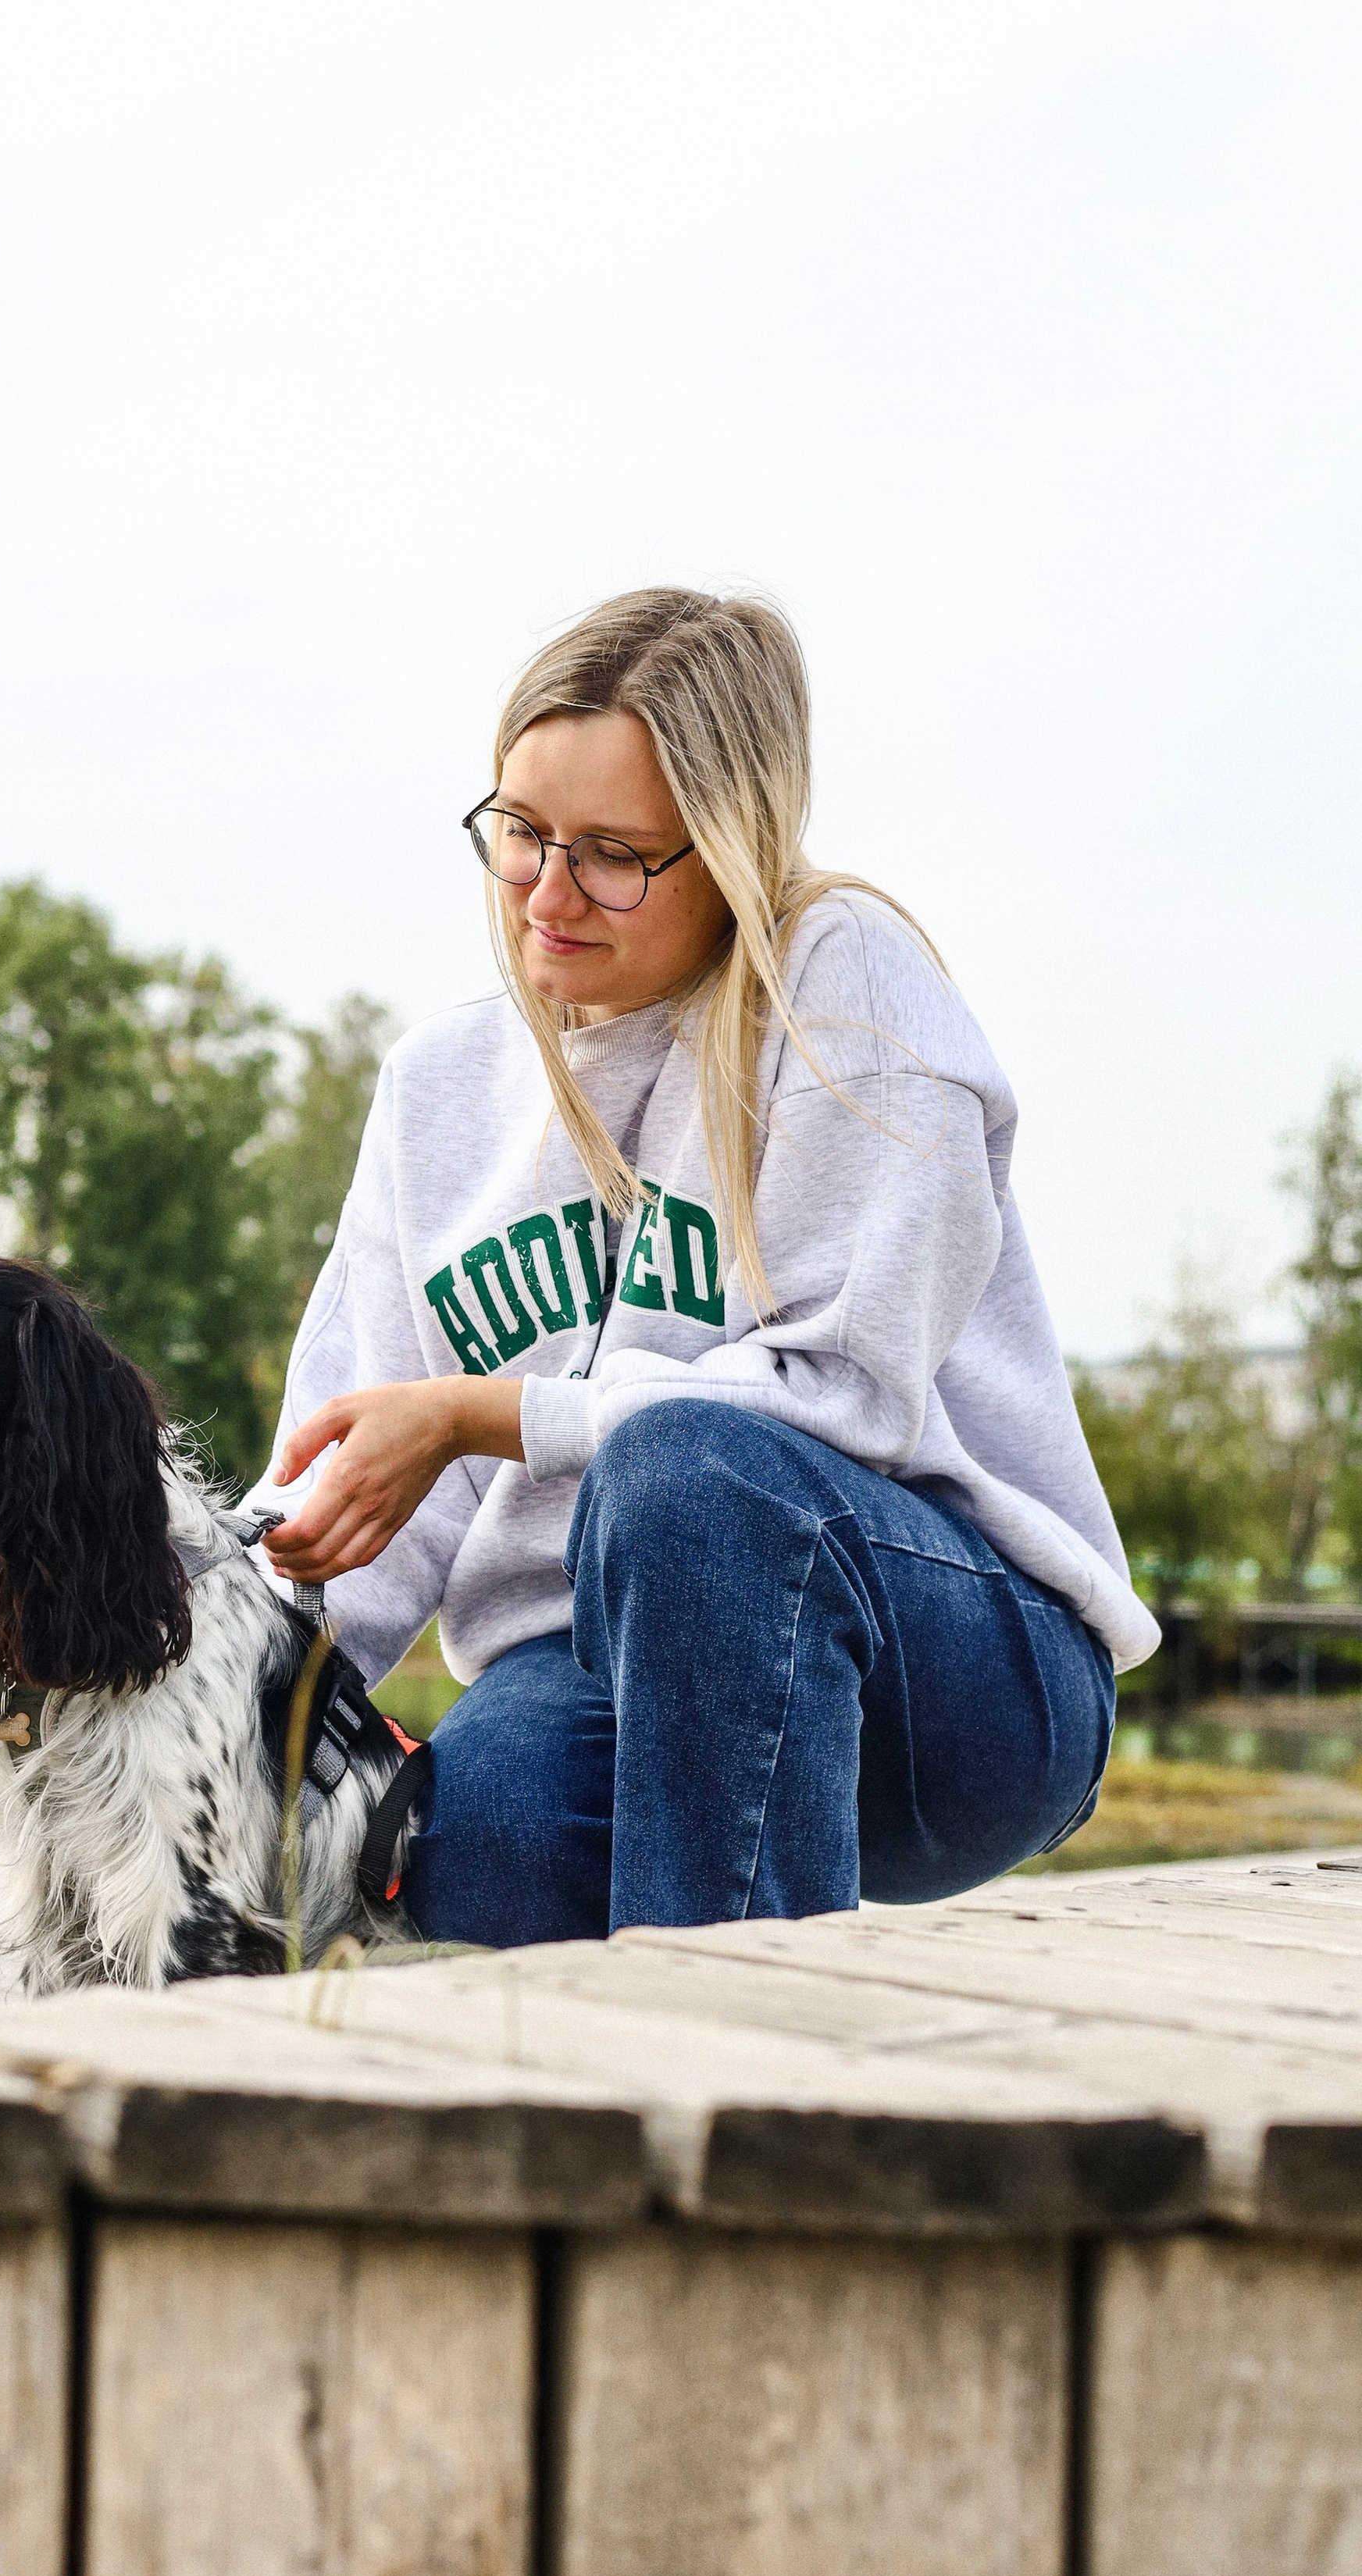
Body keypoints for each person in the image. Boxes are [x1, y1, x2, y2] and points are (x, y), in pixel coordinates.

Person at [253, 588, 1157, 1944]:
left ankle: (739, 2099)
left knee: (686, 1477)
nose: (548, 895)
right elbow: (354, 1485)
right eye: (521, 834)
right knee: (469, 1839)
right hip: (601, 1661)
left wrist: (478, 1418)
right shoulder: (437, 1086)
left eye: (614, 854)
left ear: (728, 850)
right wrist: (213, 1663)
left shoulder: (843, 984)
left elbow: (839, 1396)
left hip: (960, 1669)